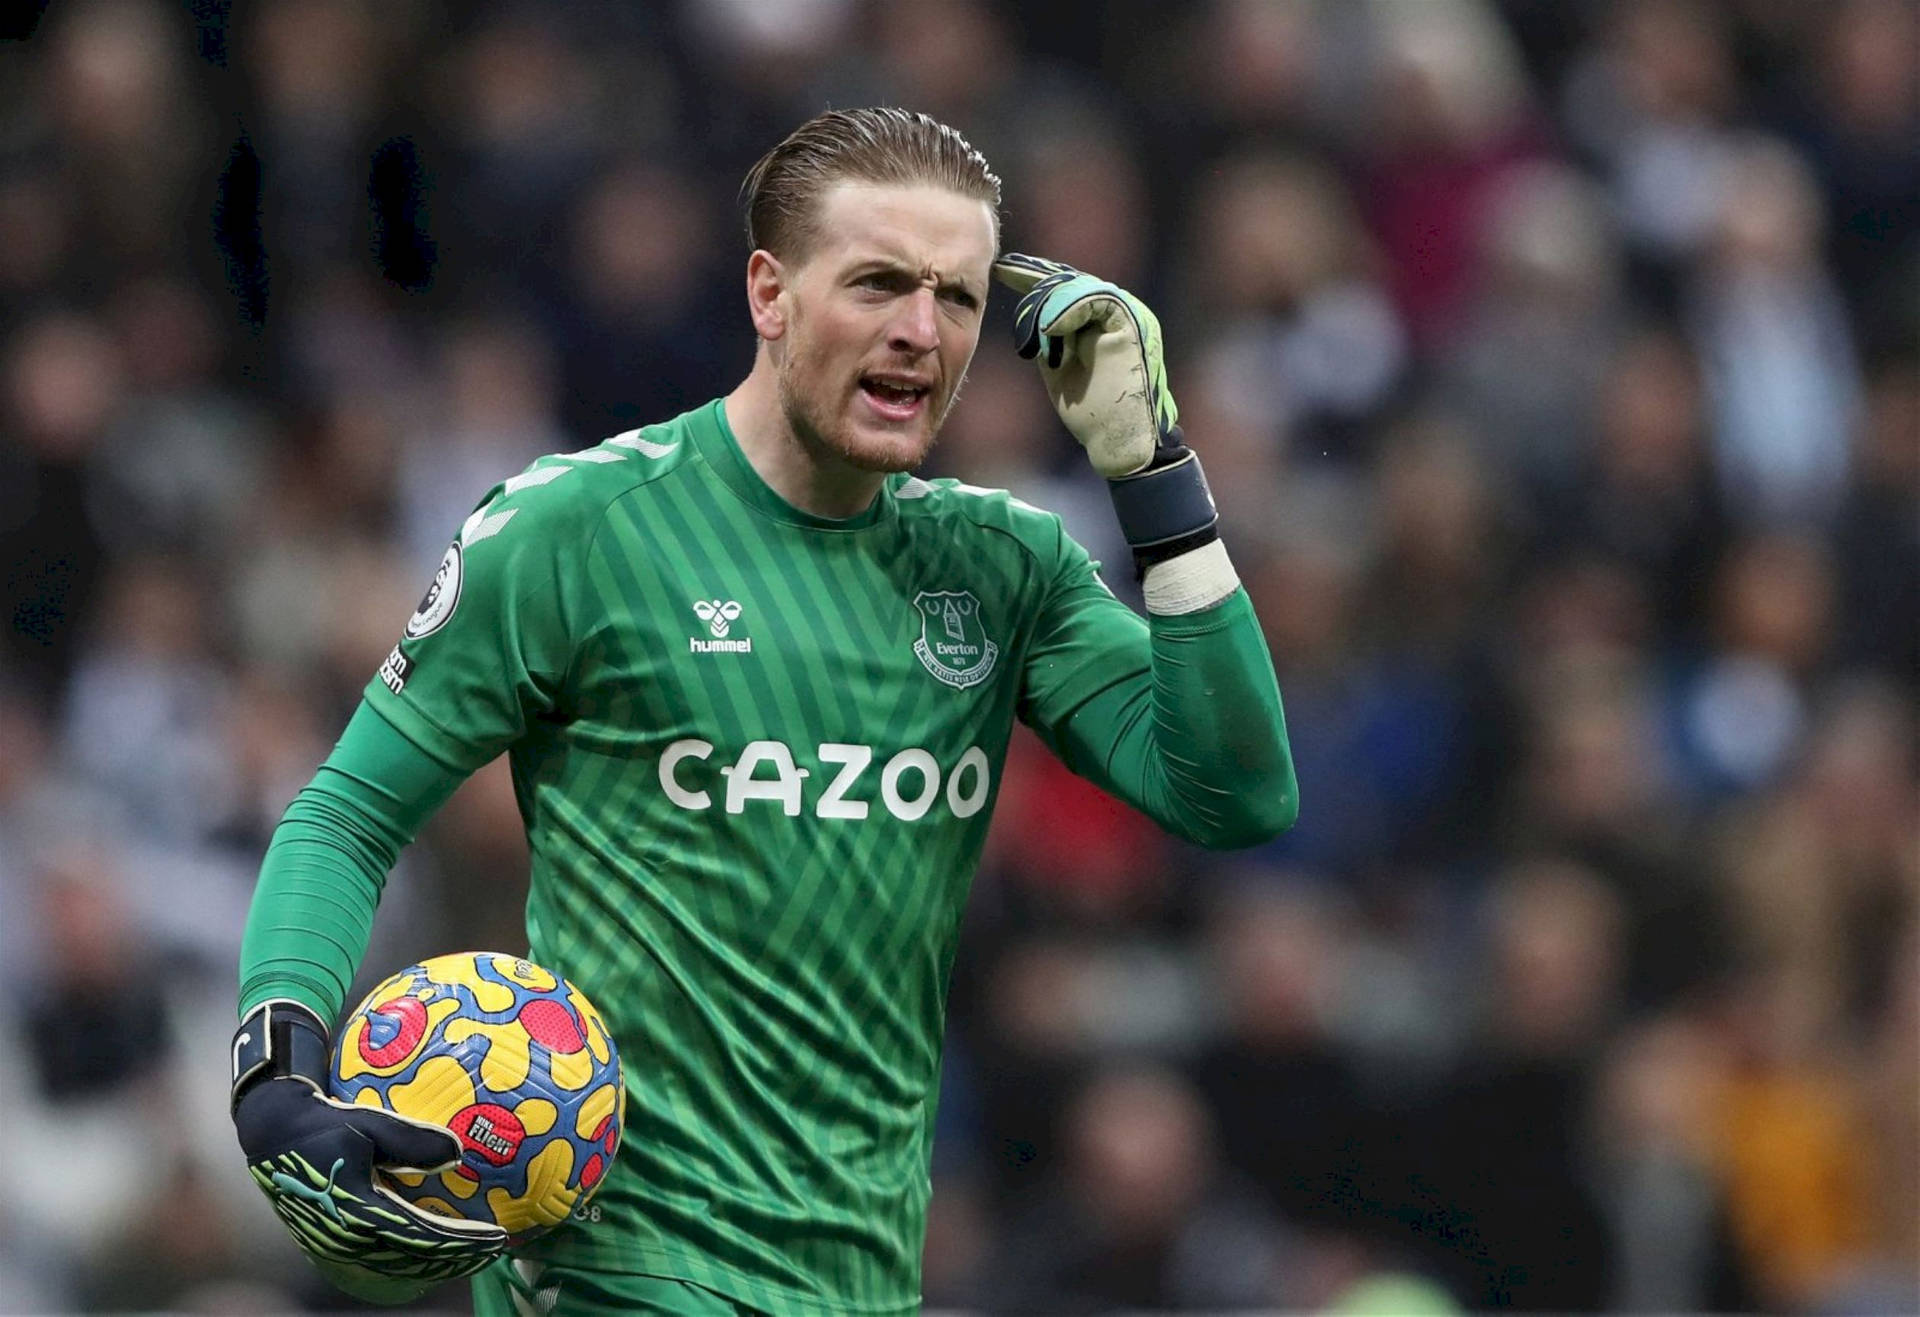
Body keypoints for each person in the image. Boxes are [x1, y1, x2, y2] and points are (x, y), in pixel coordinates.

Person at [227, 107, 1298, 1317]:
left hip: (864, 1281)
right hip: (615, 1273)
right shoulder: (575, 532)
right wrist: (277, 1060)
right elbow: (346, 816)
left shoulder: (1005, 570)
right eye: (879, 284)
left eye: (955, 298)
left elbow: (1237, 794)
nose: (919, 332)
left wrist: (1155, 475)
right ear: (768, 292)